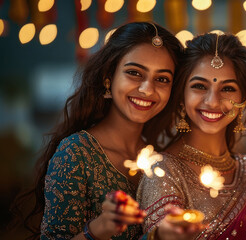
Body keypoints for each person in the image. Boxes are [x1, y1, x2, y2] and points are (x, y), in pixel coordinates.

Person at [10, 22, 184, 239]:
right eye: (134, 73)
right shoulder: (76, 153)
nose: (147, 89)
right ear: (108, 78)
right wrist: (99, 228)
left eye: (162, 79)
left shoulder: (161, 159)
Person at [137, 33, 246, 240]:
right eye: (199, 86)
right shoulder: (163, 171)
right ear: (181, 94)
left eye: (227, 88)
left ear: (243, 99)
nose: (213, 102)